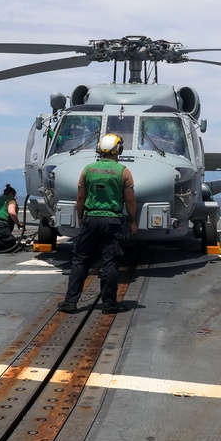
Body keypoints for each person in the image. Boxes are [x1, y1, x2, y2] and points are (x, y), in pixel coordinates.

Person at [58, 133, 137, 315]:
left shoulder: (87, 170)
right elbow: (130, 201)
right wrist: (132, 221)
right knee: (110, 261)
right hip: (112, 221)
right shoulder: (124, 172)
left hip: (90, 219)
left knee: (80, 260)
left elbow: (80, 198)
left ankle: (71, 302)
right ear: (118, 150)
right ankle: (109, 304)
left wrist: (81, 218)